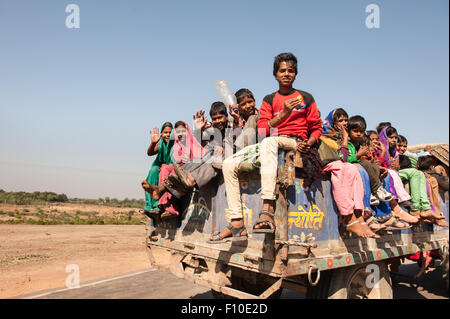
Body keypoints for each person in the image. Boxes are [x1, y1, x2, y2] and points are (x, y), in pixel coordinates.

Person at [252, 52, 323, 234]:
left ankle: (267, 209)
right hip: (277, 139)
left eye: (290, 71)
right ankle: (267, 208)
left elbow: (316, 127)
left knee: (269, 143)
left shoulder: (306, 98)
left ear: (295, 74)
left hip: (298, 142)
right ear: (275, 74)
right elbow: (262, 129)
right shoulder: (269, 99)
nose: (286, 74)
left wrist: (310, 141)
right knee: (268, 142)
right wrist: (284, 113)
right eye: (282, 70)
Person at [207, 89, 261, 243]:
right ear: (238, 106)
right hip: (238, 152)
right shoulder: (238, 121)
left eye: (250, 102)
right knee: (218, 159)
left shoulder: (256, 116)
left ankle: (237, 223)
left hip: (249, 150)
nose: (248, 106)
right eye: (243, 104)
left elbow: (248, 138)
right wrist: (237, 121)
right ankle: (237, 223)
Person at [321, 108, 383, 237]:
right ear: (332, 122)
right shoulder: (325, 137)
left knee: (352, 169)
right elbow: (343, 158)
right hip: (328, 165)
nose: (344, 123)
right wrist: (344, 137)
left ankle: (359, 217)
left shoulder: (344, 138)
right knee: (347, 168)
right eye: (340, 120)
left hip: (342, 165)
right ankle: (349, 218)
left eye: (345, 120)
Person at [344, 116, 410, 229]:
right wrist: (359, 155)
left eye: (361, 131)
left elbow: (374, 162)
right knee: (364, 167)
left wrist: (378, 162)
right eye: (355, 131)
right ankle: (374, 195)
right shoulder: (348, 144)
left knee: (384, 173)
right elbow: (344, 159)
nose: (359, 134)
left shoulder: (362, 144)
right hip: (353, 171)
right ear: (348, 131)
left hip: (365, 168)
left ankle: (385, 215)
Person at [142, 121, 204, 219]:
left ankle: (170, 207)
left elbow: (202, 157)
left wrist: (190, 160)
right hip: (176, 167)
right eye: (178, 131)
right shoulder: (176, 144)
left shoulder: (192, 141)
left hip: (189, 170)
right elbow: (152, 153)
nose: (180, 134)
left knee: (171, 172)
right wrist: (153, 143)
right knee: (163, 170)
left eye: (183, 131)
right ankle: (159, 205)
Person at [397, 138, 445, 223]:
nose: (402, 148)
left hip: (409, 173)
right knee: (419, 175)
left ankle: (426, 209)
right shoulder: (391, 155)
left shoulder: (403, 157)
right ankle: (416, 209)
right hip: (394, 173)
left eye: (405, 146)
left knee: (421, 174)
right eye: (400, 145)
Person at [140, 122, 174, 217]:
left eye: (170, 132)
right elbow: (150, 153)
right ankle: (148, 205)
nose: (167, 135)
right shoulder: (161, 143)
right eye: (165, 132)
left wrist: (166, 166)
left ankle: (157, 206)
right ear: (161, 134)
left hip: (170, 169)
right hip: (159, 166)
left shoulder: (175, 143)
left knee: (163, 172)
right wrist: (153, 143)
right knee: (153, 170)